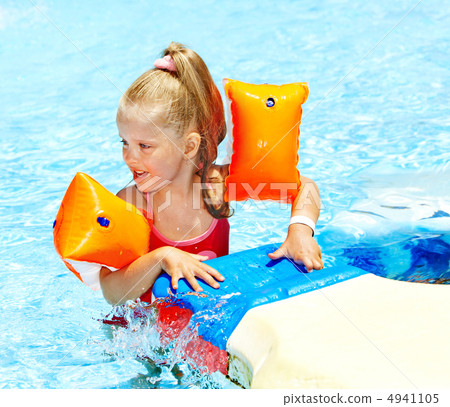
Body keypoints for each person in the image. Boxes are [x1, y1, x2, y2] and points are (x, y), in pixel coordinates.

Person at [99, 42, 323, 305]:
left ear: (189, 146)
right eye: (124, 142)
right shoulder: (131, 203)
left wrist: (300, 231)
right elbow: (111, 292)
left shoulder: (217, 188)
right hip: (149, 334)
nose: (129, 156)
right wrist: (160, 258)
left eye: (144, 146)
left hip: (212, 323)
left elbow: (304, 187)